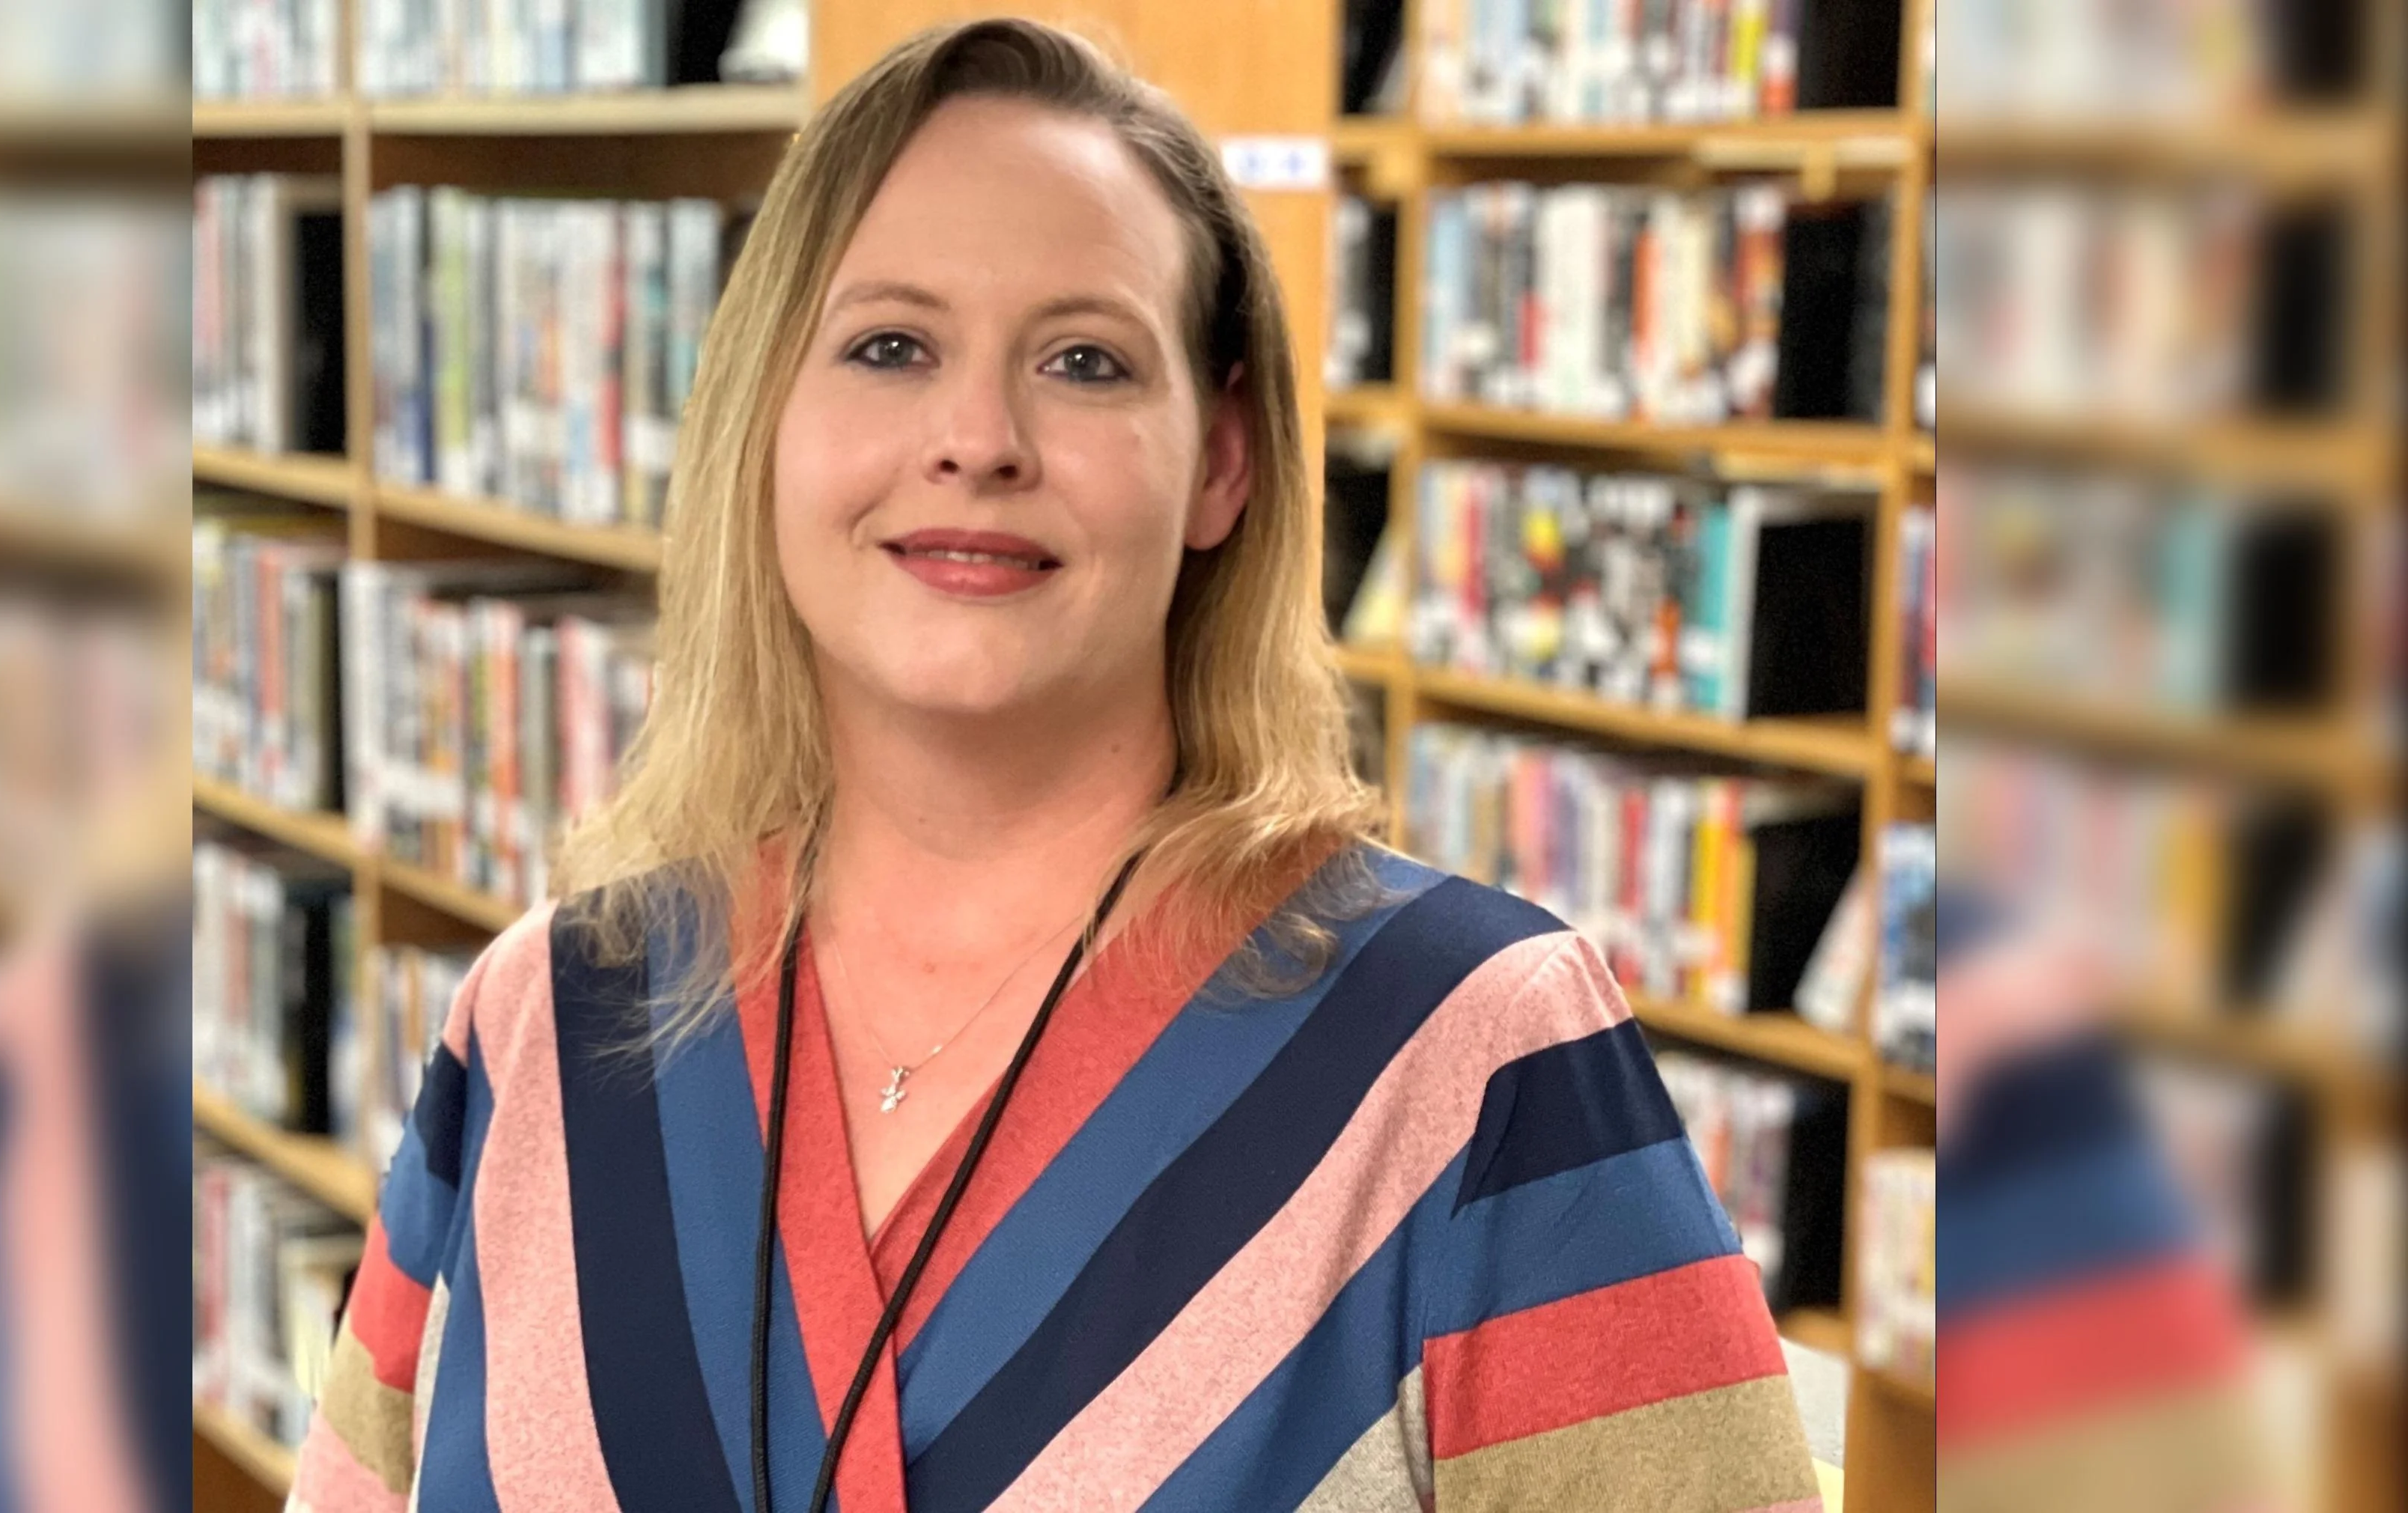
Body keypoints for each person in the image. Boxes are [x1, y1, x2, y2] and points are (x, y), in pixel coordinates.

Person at [288, 17, 1820, 1512]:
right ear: (765, 421)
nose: (977, 435)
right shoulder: (539, 1028)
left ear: (1221, 457)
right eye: (889, 344)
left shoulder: (1479, 1061)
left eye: (1086, 361)